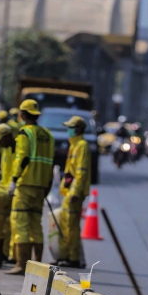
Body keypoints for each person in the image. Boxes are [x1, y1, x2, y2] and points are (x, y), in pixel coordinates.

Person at [7, 98, 54, 275]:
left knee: (20, 223)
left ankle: (21, 264)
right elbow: (50, 162)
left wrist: (14, 179)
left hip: (25, 184)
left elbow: (22, 157)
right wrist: (47, 185)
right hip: (41, 185)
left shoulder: (25, 133)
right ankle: (38, 265)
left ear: (23, 115)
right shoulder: (48, 135)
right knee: (36, 223)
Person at [57, 115, 91, 268]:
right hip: (69, 191)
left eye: (70, 127)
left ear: (77, 129)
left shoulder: (82, 145)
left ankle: (73, 258)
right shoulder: (74, 145)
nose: (68, 130)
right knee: (65, 225)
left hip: (74, 194)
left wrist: (75, 192)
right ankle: (64, 256)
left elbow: (81, 172)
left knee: (72, 226)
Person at [0, 123, 16, 260]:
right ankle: (6, 252)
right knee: (3, 222)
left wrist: (12, 186)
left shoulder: (16, 149)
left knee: (10, 223)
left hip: (13, 191)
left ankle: (9, 254)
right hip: (5, 189)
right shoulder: (5, 150)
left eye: (0, 140)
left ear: (7, 137)